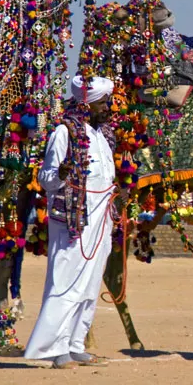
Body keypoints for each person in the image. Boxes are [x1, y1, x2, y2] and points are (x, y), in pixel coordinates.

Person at [24, 75, 119, 369]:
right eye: (103, 102)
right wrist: (61, 174)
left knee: (90, 284)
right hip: (72, 221)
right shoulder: (64, 133)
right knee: (65, 282)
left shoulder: (104, 135)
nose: (108, 107)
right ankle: (54, 348)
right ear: (87, 104)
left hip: (101, 221)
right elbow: (46, 179)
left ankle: (76, 344)